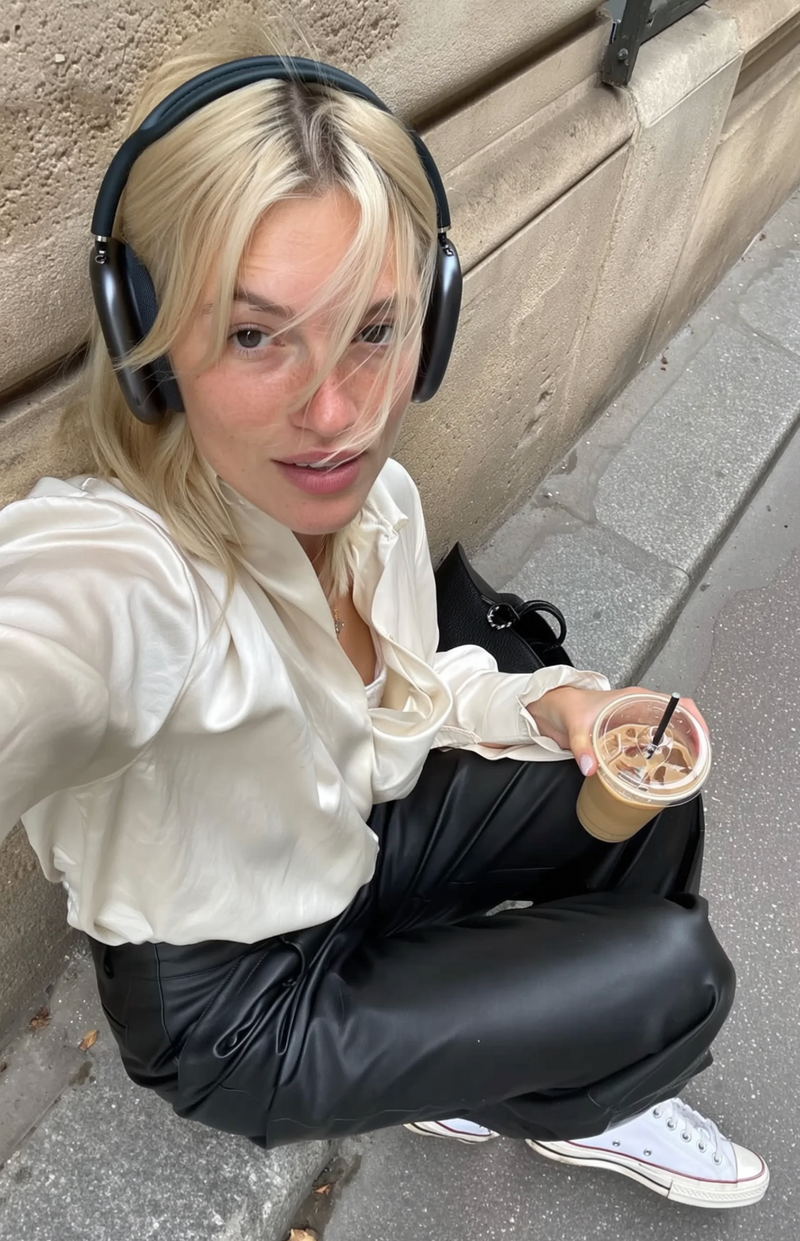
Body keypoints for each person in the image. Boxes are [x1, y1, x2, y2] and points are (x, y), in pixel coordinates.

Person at [0, 32, 768, 1211]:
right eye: (254, 334)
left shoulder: (382, 506)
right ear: (148, 346)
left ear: (435, 321)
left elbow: (403, 690)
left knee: (653, 803)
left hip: (350, 855)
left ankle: (509, 1044)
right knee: (673, 972)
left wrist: (546, 704)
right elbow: (44, 646)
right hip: (238, 1010)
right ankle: (576, 1098)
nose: (337, 412)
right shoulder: (127, 572)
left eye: (373, 327)